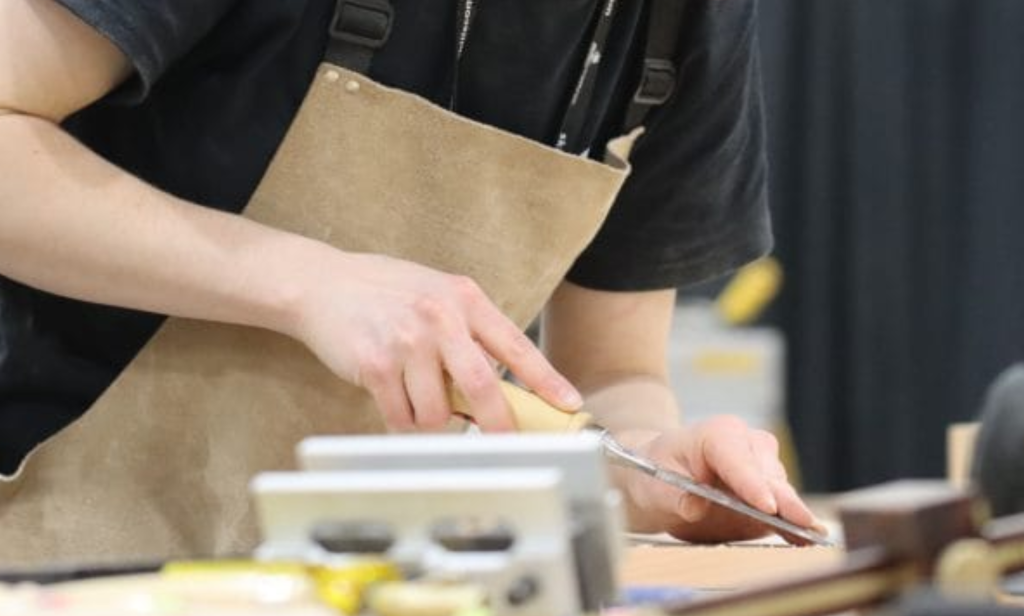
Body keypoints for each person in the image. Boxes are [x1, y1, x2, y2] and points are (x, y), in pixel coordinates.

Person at [0, 0, 818, 559]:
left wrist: (651, 470)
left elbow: (614, 373)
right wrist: (306, 282)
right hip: (51, 568)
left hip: (343, 598)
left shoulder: (682, 20)